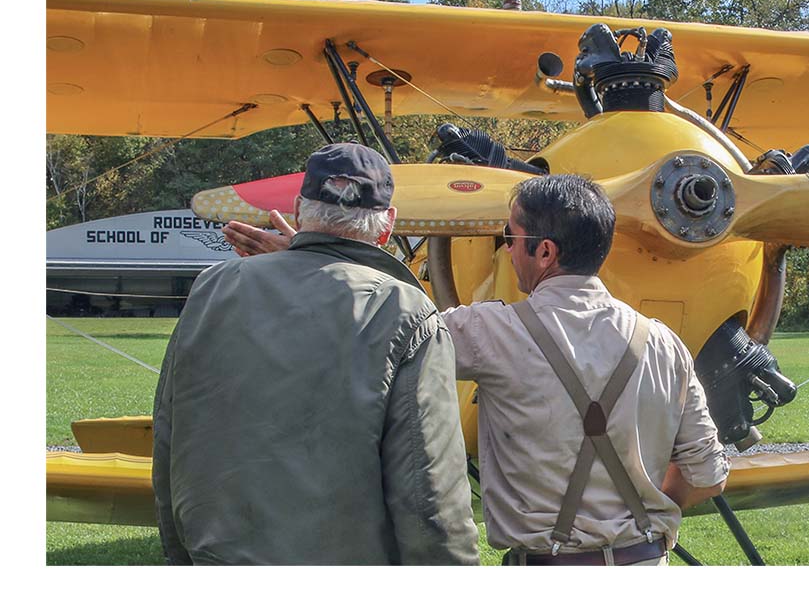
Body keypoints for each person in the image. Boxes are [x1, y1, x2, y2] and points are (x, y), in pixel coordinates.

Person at [224, 172, 728, 566]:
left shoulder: (493, 332)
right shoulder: (666, 344)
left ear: (545, 251)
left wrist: (307, 261)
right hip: (649, 568)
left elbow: (392, 325)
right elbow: (707, 476)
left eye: (510, 236)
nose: (506, 249)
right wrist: (632, 516)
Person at [152, 143, 479, 565]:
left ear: (298, 211)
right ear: (387, 226)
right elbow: (428, 488)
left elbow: (170, 433)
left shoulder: (212, 287)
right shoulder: (406, 311)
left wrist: (180, 557)